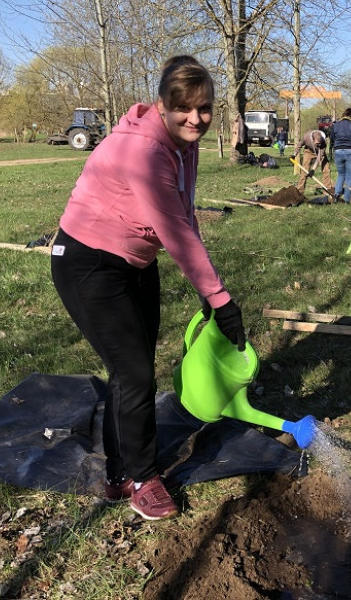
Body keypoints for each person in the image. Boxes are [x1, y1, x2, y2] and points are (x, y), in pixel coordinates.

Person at [50, 55, 246, 521]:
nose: (196, 118)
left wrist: (207, 288)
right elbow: (174, 231)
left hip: (135, 259)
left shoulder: (184, 144)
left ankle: (119, 473)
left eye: (205, 108)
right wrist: (221, 299)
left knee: (133, 370)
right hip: (88, 262)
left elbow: (184, 214)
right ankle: (142, 479)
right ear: (162, 104)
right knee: (134, 372)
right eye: (185, 108)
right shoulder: (143, 150)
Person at [330, 108, 351, 204]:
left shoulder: (336, 125)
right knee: (349, 176)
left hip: (338, 151)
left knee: (340, 175)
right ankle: (346, 199)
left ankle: (336, 195)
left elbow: (332, 138)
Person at [296, 129, 333, 196]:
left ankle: (328, 189)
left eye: (320, 143)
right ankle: (299, 191)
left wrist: (313, 170)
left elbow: (319, 157)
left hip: (320, 153)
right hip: (308, 151)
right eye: (317, 143)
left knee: (326, 170)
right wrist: (294, 154)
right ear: (312, 140)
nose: (319, 144)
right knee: (304, 171)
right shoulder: (306, 137)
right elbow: (299, 145)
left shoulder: (323, 142)